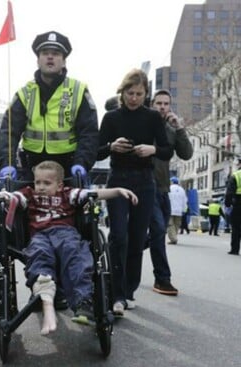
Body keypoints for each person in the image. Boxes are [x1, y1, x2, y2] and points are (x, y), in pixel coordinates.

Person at [0, 161, 138, 334]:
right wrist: (4, 195)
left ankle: (83, 300)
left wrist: (117, 191)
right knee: (39, 253)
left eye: (47, 183)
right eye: (38, 182)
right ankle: (45, 291)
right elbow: (14, 197)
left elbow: (92, 193)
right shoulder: (29, 194)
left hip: (65, 233)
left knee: (76, 255)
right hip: (40, 235)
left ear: (59, 185)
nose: (40, 187)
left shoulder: (68, 194)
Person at [97, 68, 173, 316]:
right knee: (119, 235)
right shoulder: (110, 118)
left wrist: (152, 150)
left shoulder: (152, 118)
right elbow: (96, 152)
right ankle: (115, 293)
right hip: (118, 179)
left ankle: (128, 291)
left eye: (139, 94)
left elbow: (166, 150)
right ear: (122, 92)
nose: (134, 98)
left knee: (137, 238)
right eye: (130, 93)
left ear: (145, 94)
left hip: (144, 181)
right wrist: (111, 146)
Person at [0, 30, 98, 182]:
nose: (50, 57)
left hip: (69, 169)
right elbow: (9, 131)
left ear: (64, 61)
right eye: (45, 53)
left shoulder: (78, 91)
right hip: (32, 168)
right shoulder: (25, 94)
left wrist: (82, 163)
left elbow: (89, 133)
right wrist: (7, 163)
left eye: (56, 53)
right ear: (38, 60)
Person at [146, 88, 193, 296]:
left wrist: (180, 129)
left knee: (154, 234)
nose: (163, 107)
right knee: (157, 230)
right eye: (159, 103)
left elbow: (186, 154)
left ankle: (121, 258)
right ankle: (162, 279)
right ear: (152, 104)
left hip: (164, 189)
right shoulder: (144, 123)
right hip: (146, 186)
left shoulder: (171, 129)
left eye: (166, 104)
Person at [224, 163, 241, 255]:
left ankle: (235, 249)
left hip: (238, 204)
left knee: (236, 228)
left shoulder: (236, 175)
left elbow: (229, 192)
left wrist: (228, 204)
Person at [167, 177, 188, 245]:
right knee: (176, 225)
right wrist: (184, 210)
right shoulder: (182, 189)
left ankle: (173, 239)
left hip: (170, 209)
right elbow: (185, 200)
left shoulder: (169, 188)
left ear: (172, 182)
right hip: (179, 211)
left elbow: (166, 198)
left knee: (170, 225)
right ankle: (174, 237)